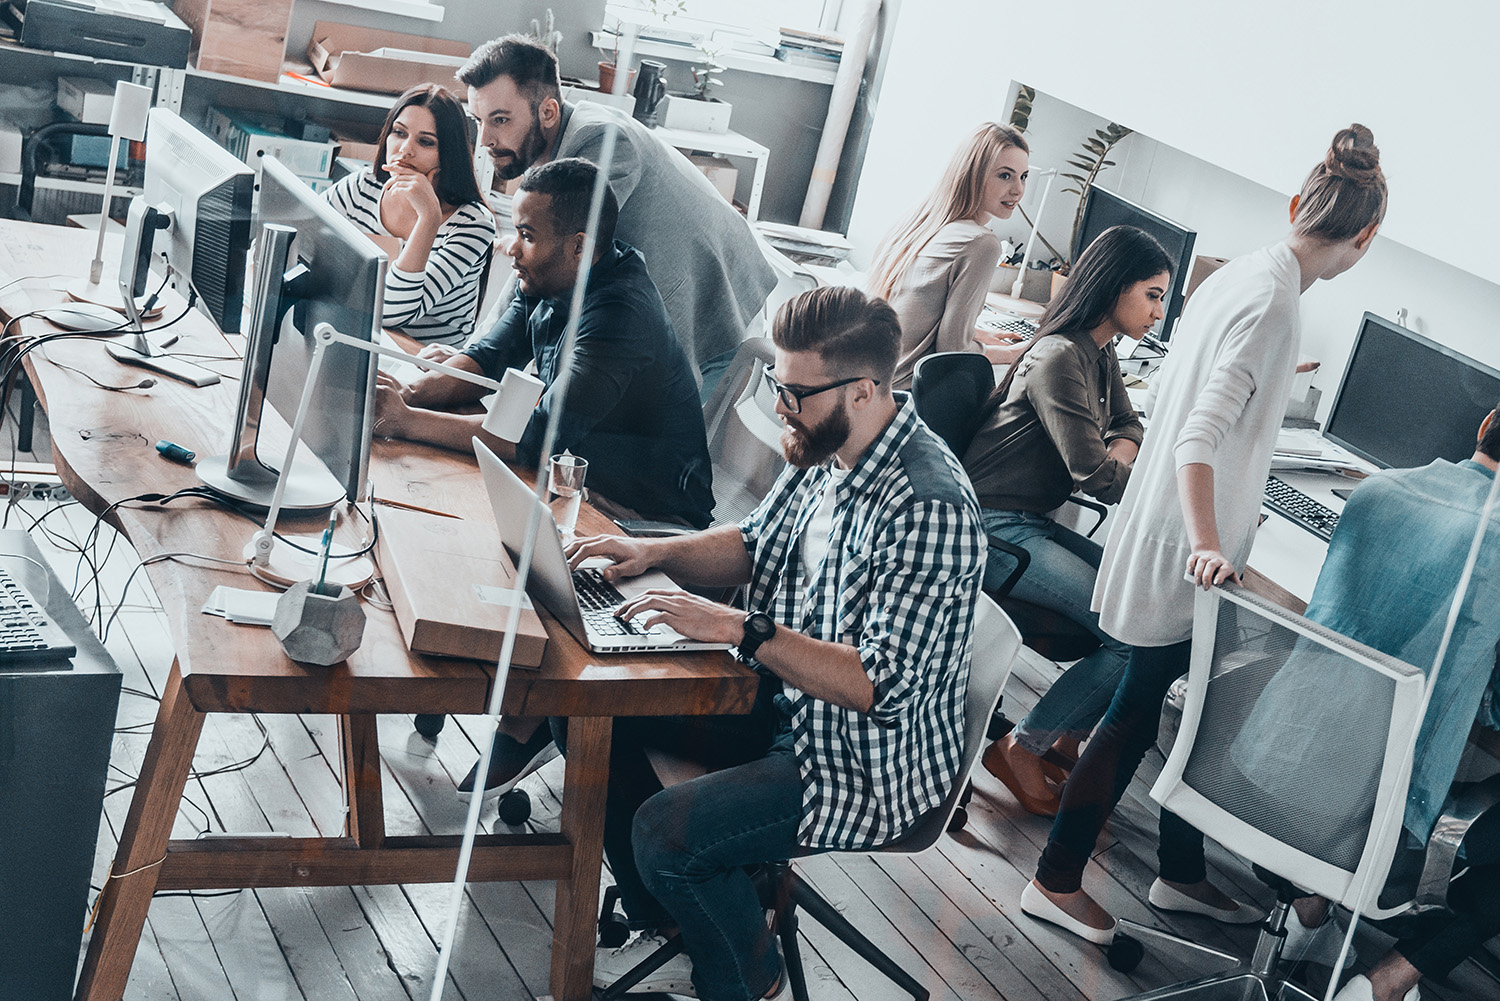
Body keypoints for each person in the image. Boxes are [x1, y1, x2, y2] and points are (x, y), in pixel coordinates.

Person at [557, 285, 986, 1000]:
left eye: (794, 392)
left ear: (864, 390)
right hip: (781, 700)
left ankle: (744, 975)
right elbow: (755, 545)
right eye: (777, 385)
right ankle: (688, 917)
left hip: (863, 758)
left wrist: (738, 627)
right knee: (582, 704)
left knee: (666, 834)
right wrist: (650, 552)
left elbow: (878, 686)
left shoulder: (928, 502)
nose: (780, 406)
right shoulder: (825, 444)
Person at [1019, 125, 1390, 944]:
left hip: (1167, 533)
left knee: (1183, 708)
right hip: (1184, 551)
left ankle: (1181, 872)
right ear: (1365, 238)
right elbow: (1197, 438)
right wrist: (1208, 542)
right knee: (1134, 714)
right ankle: (1055, 879)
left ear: (1299, 204)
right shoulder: (1271, 304)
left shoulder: (1242, 277)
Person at [377, 157, 716, 776]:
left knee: (493, 533)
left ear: (580, 247)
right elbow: (486, 353)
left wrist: (401, 421)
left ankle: (526, 714)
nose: (511, 247)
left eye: (526, 234)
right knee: (452, 504)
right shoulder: (547, 276)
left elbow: (537, 435)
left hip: (642, 518)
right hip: (574, 481)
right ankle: (480, 685)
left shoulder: (619, 314)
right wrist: (414, 389)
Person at [1229, 406, 1500, 999]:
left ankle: (1309, 910)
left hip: (1262, 778)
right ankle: (1384, 984)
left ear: (1483, 426)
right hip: (1372, 826)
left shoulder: (1376, 490)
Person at [963, 225, 1170, 817]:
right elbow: (1095, 475)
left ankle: (1059, 737)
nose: (1159, 312)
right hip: (997, 530)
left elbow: (1128, 430)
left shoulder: (1097, 351)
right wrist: (1119, 462)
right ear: (1113, 290)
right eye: (1152, 295)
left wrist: (1118, 452)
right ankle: (1021, 746)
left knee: (1146, 617)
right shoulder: (1059, 357)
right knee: (1131, 636)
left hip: (1030, 521)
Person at [455, 35, 777, 389]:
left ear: (548, 112)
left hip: (716, 308)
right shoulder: (542, 151)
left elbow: (547, 264)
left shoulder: (603, 142)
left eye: (500, 120)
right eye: (478, 120)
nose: (484, 138)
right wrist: (473, 356)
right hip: (663, 304)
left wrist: (474, 359)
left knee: (681, 437)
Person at [323, 84, 496, 346]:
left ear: (449, 154)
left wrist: (428, 218)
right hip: (352, 336)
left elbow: (392, 313)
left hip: (420, 364)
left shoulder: (474, 224)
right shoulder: (362, 186)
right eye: (399, 133)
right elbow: (298, 244)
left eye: (425, 141)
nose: (405, 149)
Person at [868, 122, 1032, 390]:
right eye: (1005, 175)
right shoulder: (981, 243)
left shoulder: (922, 221)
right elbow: (953, 350)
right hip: (903, 398)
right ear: (974, 175)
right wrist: (1014, 353)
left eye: (1023, 176)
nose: (1018, 190)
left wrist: (980, 336)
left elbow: (918, 316)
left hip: (873, 385)